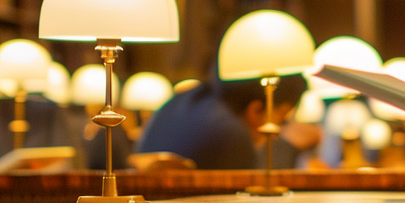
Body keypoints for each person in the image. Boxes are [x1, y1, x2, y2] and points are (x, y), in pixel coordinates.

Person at [136, 71, 318, 169]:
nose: (279, 129)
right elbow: (256, 196)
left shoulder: (187, 99)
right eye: (282, 117)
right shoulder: (231, 134)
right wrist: (289, 146)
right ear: (255, 109)